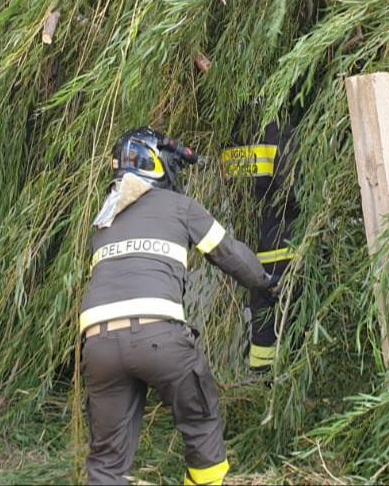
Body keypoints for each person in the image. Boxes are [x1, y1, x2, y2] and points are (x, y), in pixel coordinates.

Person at [79, 127, 279, 486]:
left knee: (106, 461)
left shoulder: (103, 221)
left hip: (98, 347)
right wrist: (266, 283)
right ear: (158, 165)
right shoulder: (179, 207)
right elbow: (229, 254)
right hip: (159, 337)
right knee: (201, 423)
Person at [221, 118, 300, 372]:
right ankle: (287, 381)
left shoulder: (234, 134)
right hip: (286, 250)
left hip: (251, 258)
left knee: (263, 326)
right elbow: (297, 190)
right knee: (294, 329)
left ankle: (263, 381)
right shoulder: (278, 131)